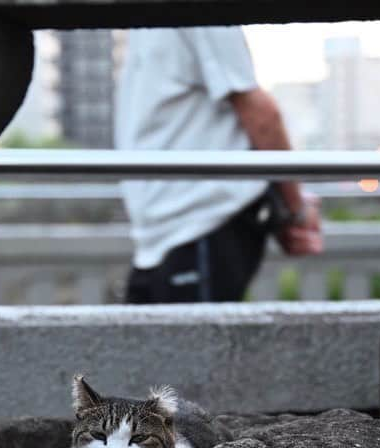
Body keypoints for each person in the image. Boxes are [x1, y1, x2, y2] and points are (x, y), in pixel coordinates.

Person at [115, 26, 324, 303]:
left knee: (194, 343)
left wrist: (295, 211)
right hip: (161, 232)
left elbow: (261, 115)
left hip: (203, 220)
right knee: (150, 343)